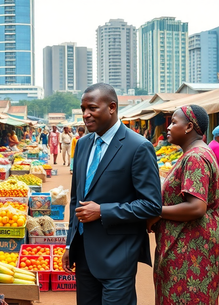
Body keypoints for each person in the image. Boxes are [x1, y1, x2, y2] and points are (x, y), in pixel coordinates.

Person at [62, 83, 162, 305]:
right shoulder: (83, 144)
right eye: (83, 109)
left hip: (118, 255)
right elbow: (74, 200)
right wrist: (70, 244)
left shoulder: (138, 147)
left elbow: (151, 205)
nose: (85, 115)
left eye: (92, 108)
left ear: (112, 107)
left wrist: (103, 211)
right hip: (84, 253)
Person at [147, 105, 219, 305]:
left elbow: (196, 207)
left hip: (190, 252)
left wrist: (156, 213)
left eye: (174, 122)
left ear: (189, 126)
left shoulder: (195, 158)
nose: (168, 127)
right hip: (192, 246)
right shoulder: (198, 153)